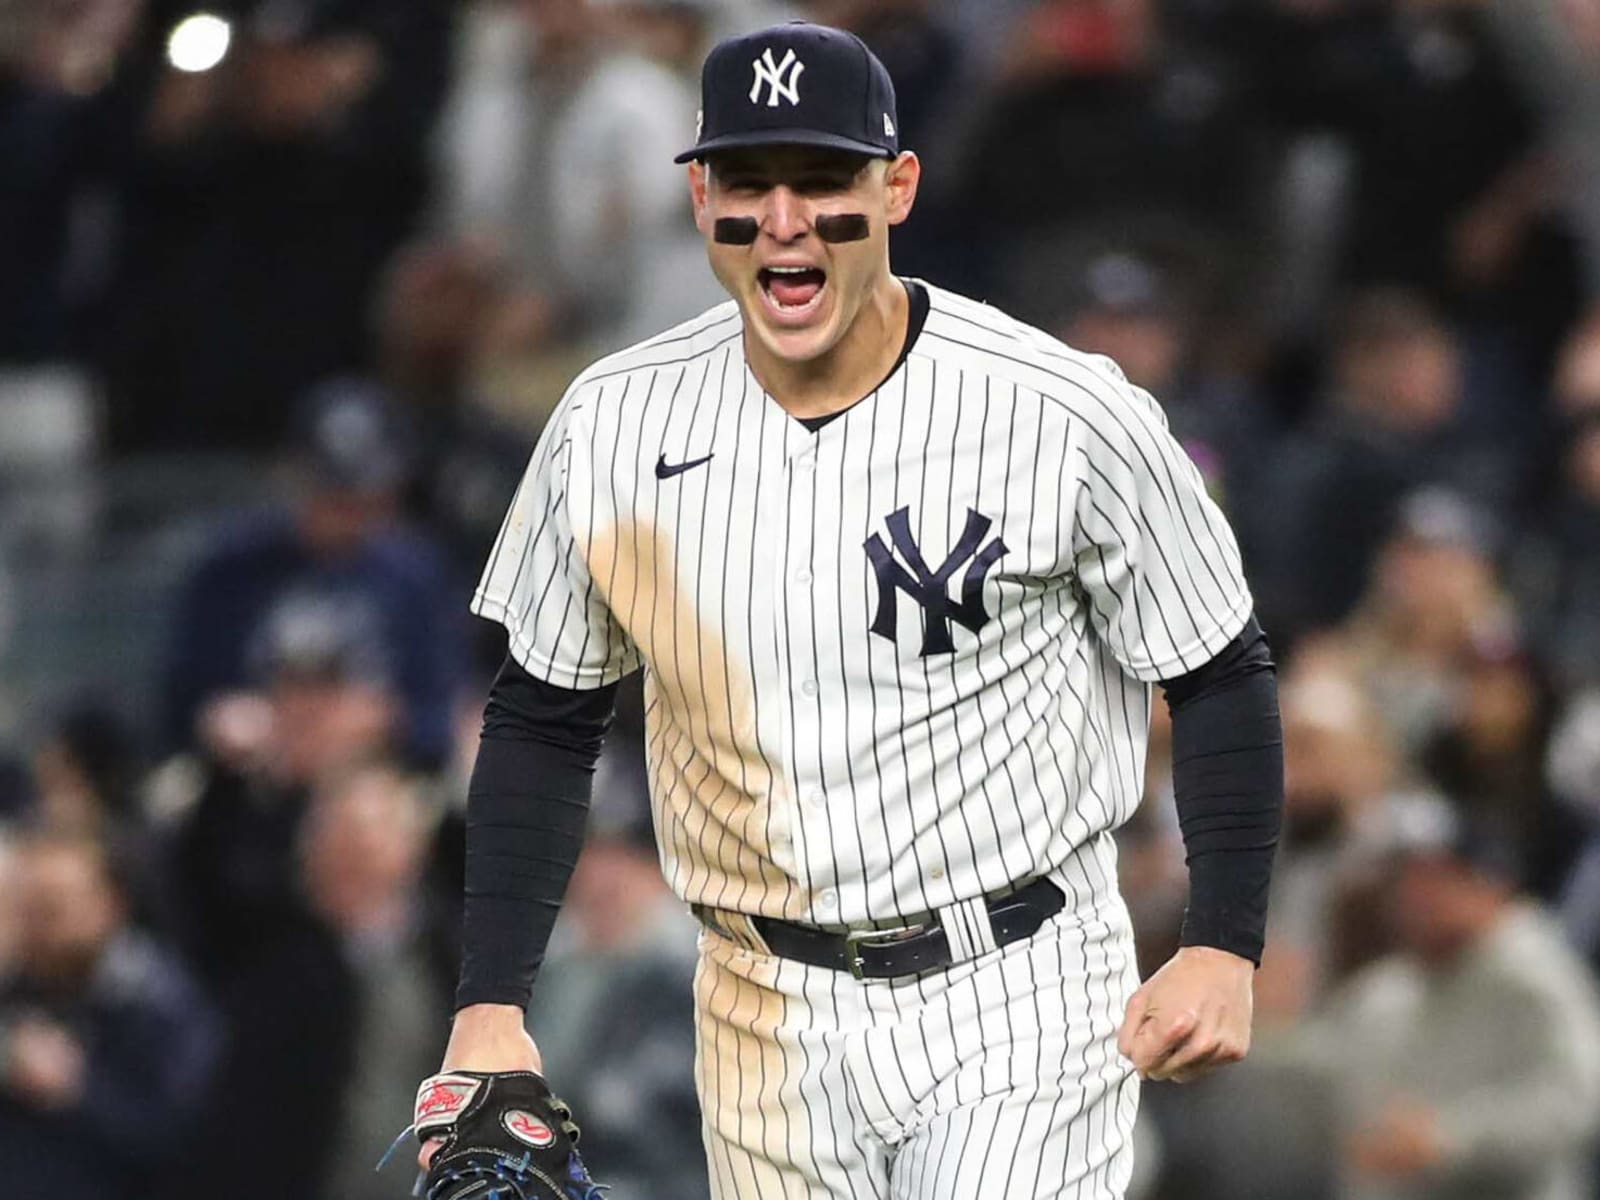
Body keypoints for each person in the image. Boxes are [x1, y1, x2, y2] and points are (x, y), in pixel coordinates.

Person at [421, 21, 1284, 1199]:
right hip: (758, 1006)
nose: (785, 219)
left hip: (1017, 984)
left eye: (824, 180)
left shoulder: (1060, 410)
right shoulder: (609, 424)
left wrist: (1223, 940)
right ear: (697, 194)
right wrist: (490, 1007)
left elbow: (1218, 666)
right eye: (748, 181)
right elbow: (542, 716)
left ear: (897, 187)